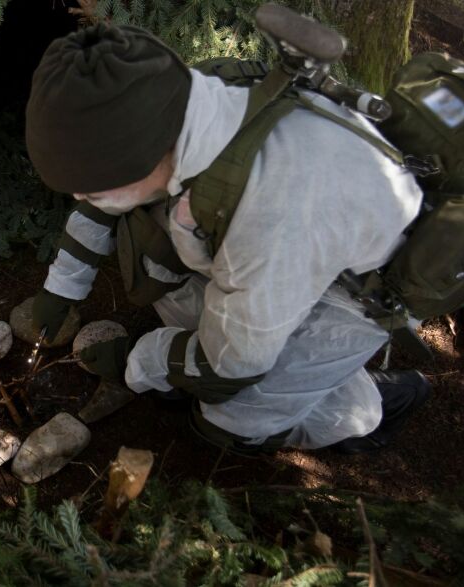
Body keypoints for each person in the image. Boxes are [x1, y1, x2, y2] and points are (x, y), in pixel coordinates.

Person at [24, 23, 431, 455]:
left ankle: (375, 406)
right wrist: (63, 283)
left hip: (353, 297)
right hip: (286, 255)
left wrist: (136, 360)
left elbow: (233, 365)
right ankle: (203, 361)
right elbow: (104, 185)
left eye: (93, 190)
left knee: (230, 420)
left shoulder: (272, 213)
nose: (82, 199)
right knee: (154, 253)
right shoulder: (183, 100)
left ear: (146, 161)